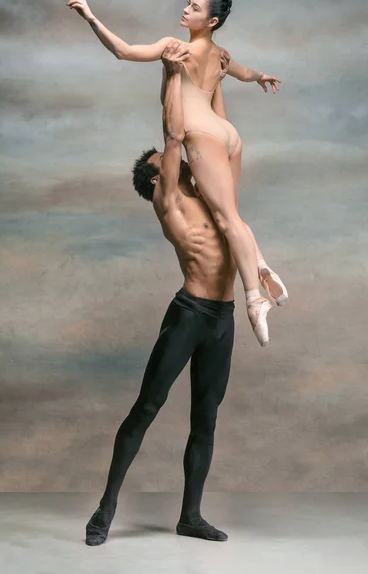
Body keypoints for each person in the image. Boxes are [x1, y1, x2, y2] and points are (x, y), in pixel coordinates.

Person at [84, 40, 272, 547]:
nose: (182, 162)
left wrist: (223, 77)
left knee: (205, 419)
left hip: (223, 317)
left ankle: (191, 515)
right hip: (187, 315)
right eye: (165, 162)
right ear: (155, 177)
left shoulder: (212, 197)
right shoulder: (168, 199)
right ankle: (105, 509)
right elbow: (174, 133)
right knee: (146, 409)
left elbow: (214, 130)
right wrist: (169, 74)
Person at [65, 0, 288, 347]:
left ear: (211, 20)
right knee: (230, 215)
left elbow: (123, 51)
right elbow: (244, 72)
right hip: (228, 134)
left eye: (194, 7)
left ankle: (254, 300)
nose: (185, 9)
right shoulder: (220, 56)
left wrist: (91, 18)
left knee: (227, 218)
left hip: (203, 138)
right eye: (188, 3)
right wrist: (261, 76)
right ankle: (260, 265)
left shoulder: (176, 48)